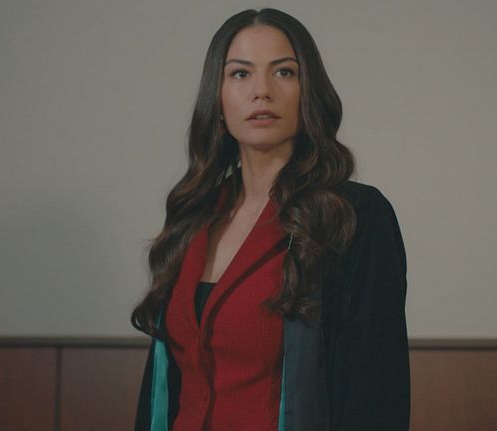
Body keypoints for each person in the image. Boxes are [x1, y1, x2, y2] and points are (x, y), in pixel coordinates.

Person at [131, 8, 409, 431]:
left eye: (283, 72)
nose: (261, 91)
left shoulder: (354, 215)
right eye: (240, 74)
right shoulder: (192, 215)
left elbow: (377, 393)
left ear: (307, 92)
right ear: (217, 99)